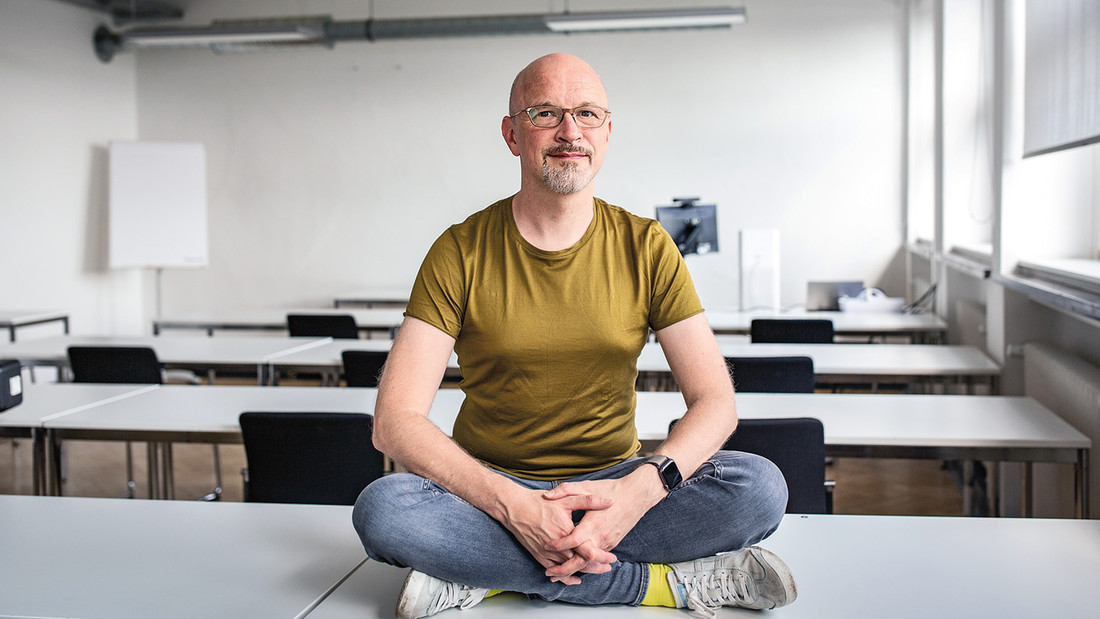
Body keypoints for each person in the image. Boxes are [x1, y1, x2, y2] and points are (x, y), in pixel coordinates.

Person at [353, 53, 796, 619]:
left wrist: (636, 494)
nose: (570, 132)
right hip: (490, 489)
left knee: (760, 487)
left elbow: (716, 402)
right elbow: (395, 421)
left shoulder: (648, 246)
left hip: (617, 482)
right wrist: (516, 508)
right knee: (384, 510)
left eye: (587, 114)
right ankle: (659, 587)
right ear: (513, 134)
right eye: (546, 113)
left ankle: (485, 576)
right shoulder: (459, 250)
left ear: (607, 132)